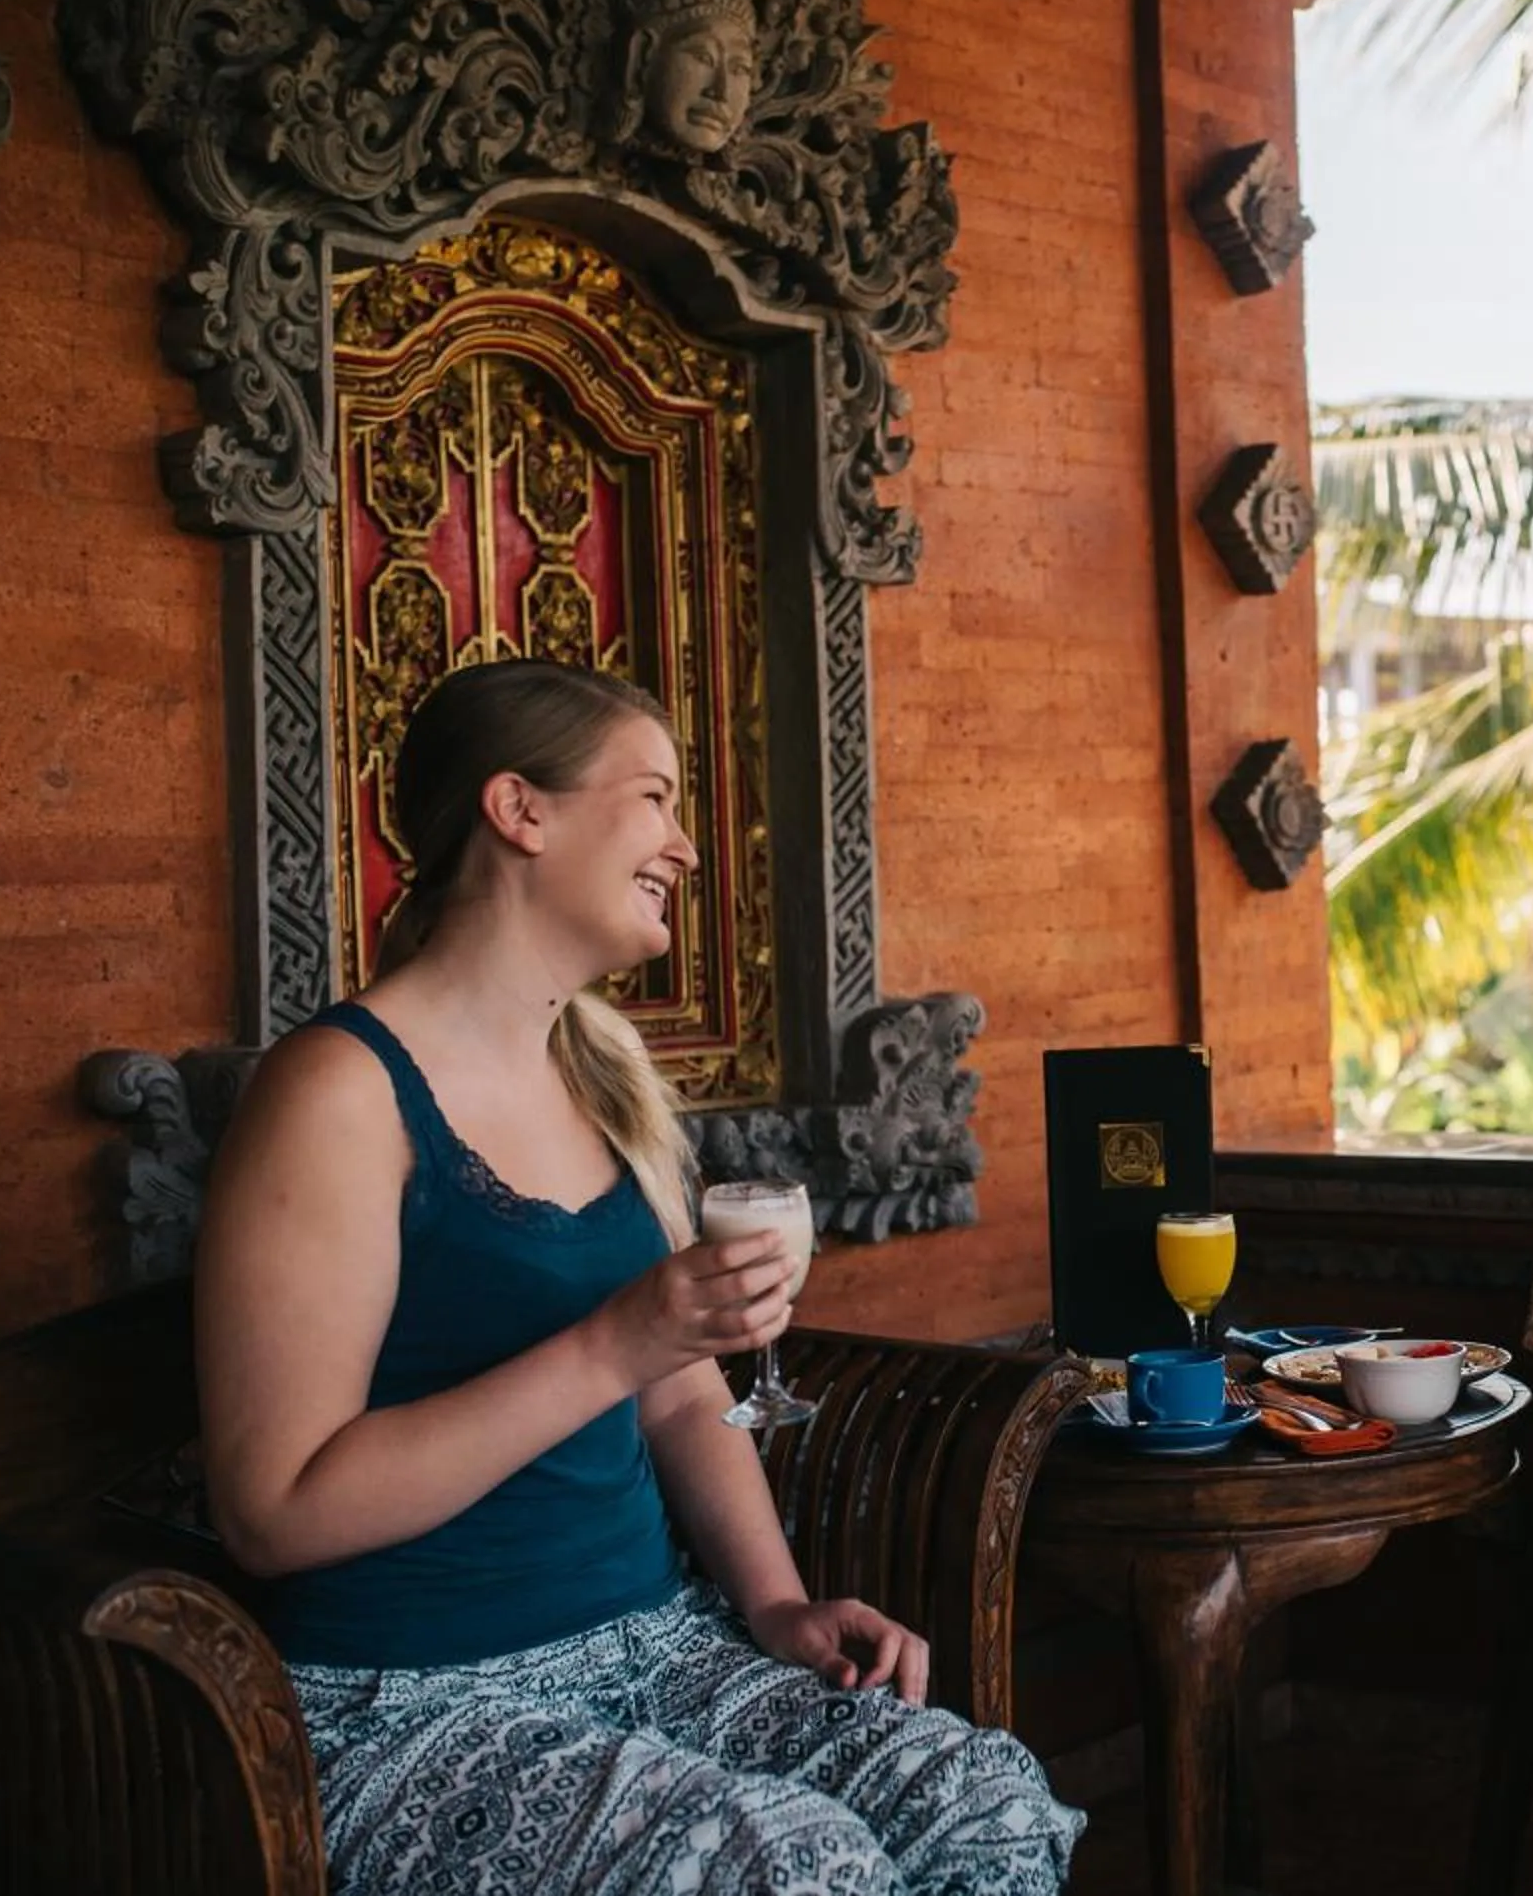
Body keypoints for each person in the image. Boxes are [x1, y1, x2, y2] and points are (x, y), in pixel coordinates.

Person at [196, 658, 1082, 1895]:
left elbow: (676, 1394)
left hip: (658, 1649)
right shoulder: (338, 1094)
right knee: (798, 1867)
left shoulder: (602, 1077)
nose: (687, 847)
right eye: (656, 798)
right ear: (522, 811)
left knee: (981, 1801)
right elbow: (273, 1509)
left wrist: (777, 1608)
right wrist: (612, 1343)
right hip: (410, 1708)